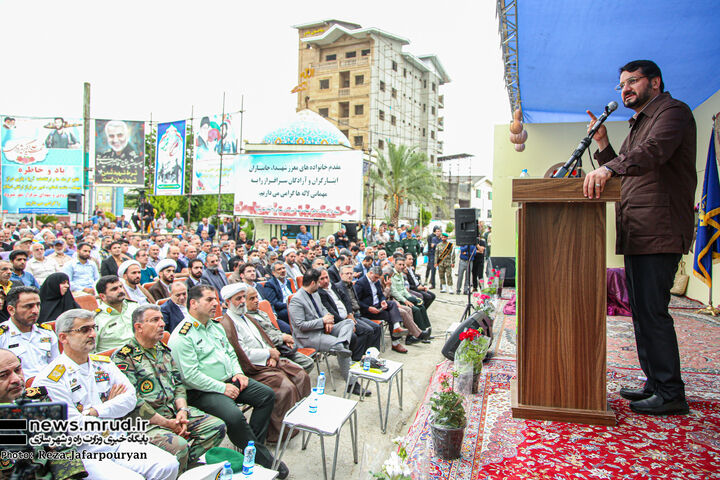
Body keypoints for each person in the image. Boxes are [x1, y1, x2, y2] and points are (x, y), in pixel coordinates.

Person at [582, 60, 696, 416]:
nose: (626, 89)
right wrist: (602, 146)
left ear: (655, 82)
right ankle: (655, 383)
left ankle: (670, 392)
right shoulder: (639, 124)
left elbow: (651, 155)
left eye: (633, 81)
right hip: (639, 232)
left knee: (653, 312)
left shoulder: (672, 113)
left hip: (659, 229)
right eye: (622, 85)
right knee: (642, 314)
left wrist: (607, 166)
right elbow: (626, 168)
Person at [33, 309, 180, 479]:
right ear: (63, 337)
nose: (93, 334)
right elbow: (75, 428)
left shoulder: (103, 363)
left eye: (93, 328)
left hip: (116, 440)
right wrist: (111, 408)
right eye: (84, 330)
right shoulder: (51, 378)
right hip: (84, 451)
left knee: (168, 465)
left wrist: (95, 412)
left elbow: (130, 399)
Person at [168, 285, 288, 478]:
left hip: (228, 380)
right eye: (209, 300)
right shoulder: (182, 335)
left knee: (266, 395)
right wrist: (222, 387)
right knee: (234, 417)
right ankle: (265, 461)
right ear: (193, 303)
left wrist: (238, 373)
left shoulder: (214, 326)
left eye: (215, 299)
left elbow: (230, 353)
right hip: (202, 391)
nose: (215, 303)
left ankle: (251, 451)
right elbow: (190, 376)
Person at [112, 304, 226, 473]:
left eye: (162, 319)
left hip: (172, 412)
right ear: (139, 327)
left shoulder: (163, 350)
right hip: (144, 422)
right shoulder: (123, 357)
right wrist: (168, 423)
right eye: (155, 320)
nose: (162, 324)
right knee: (179, 446)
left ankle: (184, 469)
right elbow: (133, 402)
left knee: (216, 427)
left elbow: (178, 384)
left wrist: (182, 411)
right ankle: (177, 469)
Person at [218, 283, 311, 442]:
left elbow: (264, 340)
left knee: (301, 375)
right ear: (227, 302)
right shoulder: (227, 324)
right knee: (285, 387)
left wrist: (272, 355)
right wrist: (268, 353)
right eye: (238, 299)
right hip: (252, 368)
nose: (242, 301)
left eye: (242, 297)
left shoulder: (246, 316)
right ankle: (279, 433)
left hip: (268, 359)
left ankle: (300, 419)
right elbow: (242, 353)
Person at [0, 348, 88, 479]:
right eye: (3, 375)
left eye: (17, 370)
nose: (16, 379)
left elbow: (62, 450)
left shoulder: (38, 402)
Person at [288, 269, 367, 396]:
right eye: (319, 282)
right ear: (313, 283)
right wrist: (322, 321)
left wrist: (328, 319)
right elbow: (300, 326)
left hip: (324, 328)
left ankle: (341, 344)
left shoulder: (314, 293)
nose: (321, 284)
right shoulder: (296, 300)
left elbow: (323, 309)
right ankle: (352, 383)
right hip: (309, 336)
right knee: (342, 346)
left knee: (349, 323)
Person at [243, 285, 313, 372]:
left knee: (308, 363)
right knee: (299, 371)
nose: (256, 300)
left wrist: (285, 338)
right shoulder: (247, 319)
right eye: (252, 299)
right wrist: (282, 338)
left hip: (282, 347)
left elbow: (274, 329)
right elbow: (263, 340)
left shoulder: (261, 313)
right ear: (244, 301)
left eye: (257, 297)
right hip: (270, 352)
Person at [317, 268, 381, 362]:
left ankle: (370, 355)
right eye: (322, 279)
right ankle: (358, 358)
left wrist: (350, 313)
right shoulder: (320, 292)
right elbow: (331, 311)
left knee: (375, 328)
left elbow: (346, 299)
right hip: (339, 322)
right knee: (367, 331)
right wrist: (348, 323)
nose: (326, 280)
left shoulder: (332, 286)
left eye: (327, 277)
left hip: (351, 316)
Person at [0, 286, 59, 378]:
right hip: (17, 388)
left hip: (48, 386)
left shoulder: (47, 333)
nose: (35, 311)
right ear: (11, 310)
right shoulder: (2, 335)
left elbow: (56, 365)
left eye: (38, 305)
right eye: (28, 306)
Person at [354, 266, 409, 353]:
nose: (376, 280)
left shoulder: (376, 282)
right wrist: (368, 308)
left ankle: (396, 327)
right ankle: (395, 342)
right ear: (370, 273)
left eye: (378, 278)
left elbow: (380, 294)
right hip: (368, 310)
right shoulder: (361, 283)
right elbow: (356, 301)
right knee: (391, 316)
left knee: (392, 304)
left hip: (378, 305)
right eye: (375, 277)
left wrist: (383, 300)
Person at [94, 275, 139, 353]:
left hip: (141, 354)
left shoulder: (134, 307)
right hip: (115, 360)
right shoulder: (96, 319)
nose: (120, 291)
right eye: (114, 289)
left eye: (121, 287)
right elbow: (92, 351)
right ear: (102, 296)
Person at [262, 261, 294, 333]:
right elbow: (274, 303)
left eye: (283, 268)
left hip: (292, 305)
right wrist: (288, 304)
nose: (282, 271)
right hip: (281, 310)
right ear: (273, 273)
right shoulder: (270, 284)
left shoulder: (288, 282)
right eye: (279, 269)